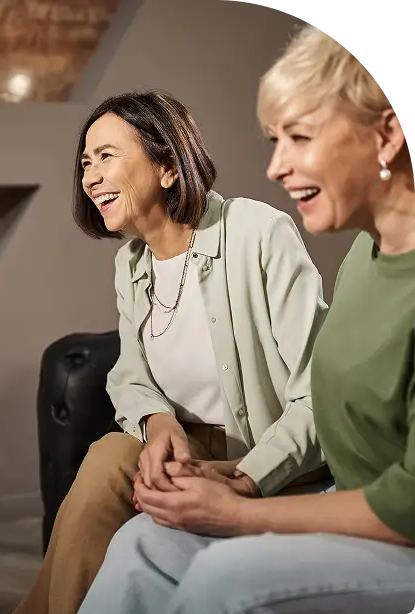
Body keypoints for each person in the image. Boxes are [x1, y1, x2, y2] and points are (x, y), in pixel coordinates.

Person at [76, 26, 415, 614]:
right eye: (274, 141)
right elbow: (132, 372)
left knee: (224, 576)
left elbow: (394, 491)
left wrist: (242, 500)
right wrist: (212, 465)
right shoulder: (364, 256)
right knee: (140, 544)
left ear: (386, 136)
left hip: (379, 519)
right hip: (342, 496)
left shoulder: (260, 232)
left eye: (299, 137)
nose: (275, 167)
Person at [14, 89, 330, 614]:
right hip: (190, 451)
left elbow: (320, 392)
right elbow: (130, 374)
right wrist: (158, 422)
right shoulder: (131, 264)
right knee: (110, 456)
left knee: (109, 464)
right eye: (86, 162)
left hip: (271, 456)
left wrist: (247, 477)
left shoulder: (258, 232)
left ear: (167, 167)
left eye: (106, 156)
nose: (90, 177)